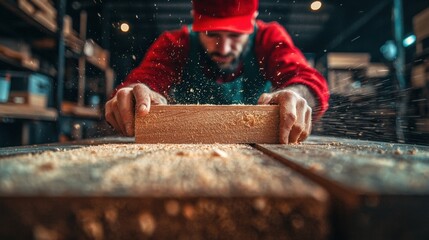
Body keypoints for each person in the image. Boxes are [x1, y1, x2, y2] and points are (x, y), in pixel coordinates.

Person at [105, 0, 330, 144]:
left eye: (235, 36)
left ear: (252, 22)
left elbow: (307, 80)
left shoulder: (268, 38)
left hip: (256, 146)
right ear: (196, 22)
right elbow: (142, 81)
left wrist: (298, 95)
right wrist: (133, 95)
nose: (223, 48)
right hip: (185, 146)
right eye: (212, 34)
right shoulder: (175, 43)